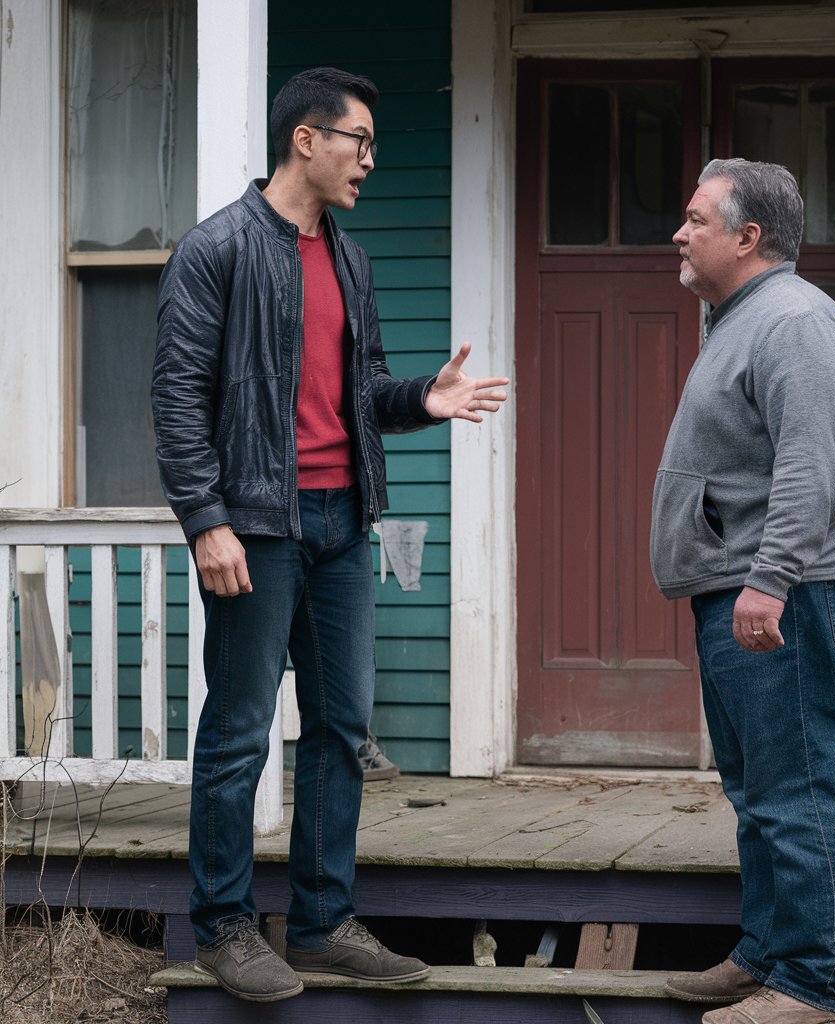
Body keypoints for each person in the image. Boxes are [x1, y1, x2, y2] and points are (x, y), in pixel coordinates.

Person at [151, 67, 508, 1003]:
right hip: (256, 526)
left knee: (342, 728)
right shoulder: (216, 249)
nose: (370, 161)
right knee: (238, 733)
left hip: (345, 520)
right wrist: (207, 521)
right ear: (304, 138)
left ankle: (318, 922)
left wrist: (422, 400)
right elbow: (178, 400)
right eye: (358, 140)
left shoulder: (349, 259)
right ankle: (225, 927)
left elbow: (364, 390)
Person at [649, 158, 835, 1024]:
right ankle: (766, 954)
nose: (679, 233)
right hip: (749, 586)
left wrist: (768, 580)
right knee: (758, 792)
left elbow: (810, 466)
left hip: (791, 586)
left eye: (695, 219)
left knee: (799, 788)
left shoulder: (792, 320)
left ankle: (815, 988)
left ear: (748, 237)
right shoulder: (741, 319)